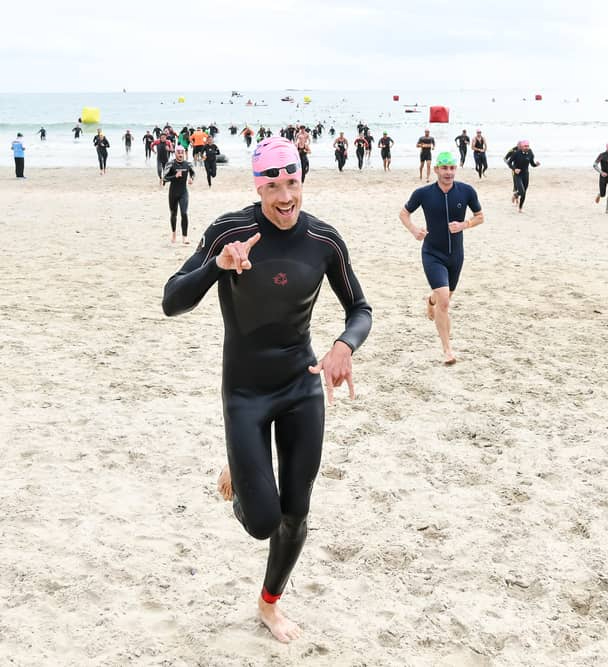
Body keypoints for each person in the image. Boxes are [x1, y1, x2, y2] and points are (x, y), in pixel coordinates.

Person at [162, 136, 371, 643]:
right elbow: (172, 301)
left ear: (303, 181)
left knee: (296, 512)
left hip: (301, 386)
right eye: (272, 185)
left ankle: (269, 604)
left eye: (292, 182)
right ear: (258, 187)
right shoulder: (229, 233)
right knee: (261, 521)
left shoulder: (324, 241)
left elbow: (359, 309)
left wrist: (344, 345)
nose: (284, 196)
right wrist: (218, 266)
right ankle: (241, 457)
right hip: (246, 394)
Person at [399, 152, 484, 365]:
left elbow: (480, 217)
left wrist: (464, 225)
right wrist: (414, 230)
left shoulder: (466, 191)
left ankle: (431, 300)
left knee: (445, 297)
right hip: (432, 253)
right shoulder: (423, 193)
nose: (448, 172)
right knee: (445, 302)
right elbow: (404, 213)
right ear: (436, 169)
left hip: (456, 255)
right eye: (444, 168)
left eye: (452, 168)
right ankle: (447, 350)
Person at [161, 146, 195, 244]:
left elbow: (193, 173)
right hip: (173, 193)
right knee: (173, 214)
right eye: (178, 153)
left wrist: (191, 179)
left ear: (184, 153)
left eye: (182, 153)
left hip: (183, 192)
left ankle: (185, 237)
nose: (180, 155)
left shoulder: (188, 164)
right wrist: (175, 176)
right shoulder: (170, 164)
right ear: (175, 153)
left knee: (184, 213)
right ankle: (174, 234)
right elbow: (165, 178)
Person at [505, 140, 540, 212]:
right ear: (521, 147)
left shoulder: (530, 153)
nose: (527, 147)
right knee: (522, 192)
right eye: (525, 146)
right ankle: (518, 201)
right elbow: (509, 162)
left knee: (524, 192)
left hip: (526, 174)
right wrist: (514, 169)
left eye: (528, 146)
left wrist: (536, 164)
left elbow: (532, 164)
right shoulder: (516, 153)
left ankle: (520, 206)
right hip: (517, 175)